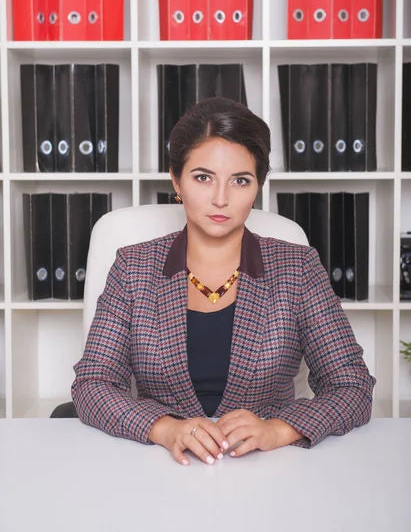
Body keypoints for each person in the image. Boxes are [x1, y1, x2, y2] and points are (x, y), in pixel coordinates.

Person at [71, 97, 376, 466]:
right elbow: (92, 384)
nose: (220, 198)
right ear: (176, 180)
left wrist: (278, 429)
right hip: (159, 466)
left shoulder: (298, 267)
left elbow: (352, 386)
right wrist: (164, 428)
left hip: (271, 467)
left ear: (258, 186)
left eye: (240, 181)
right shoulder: (133, 267)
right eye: (203, 177)